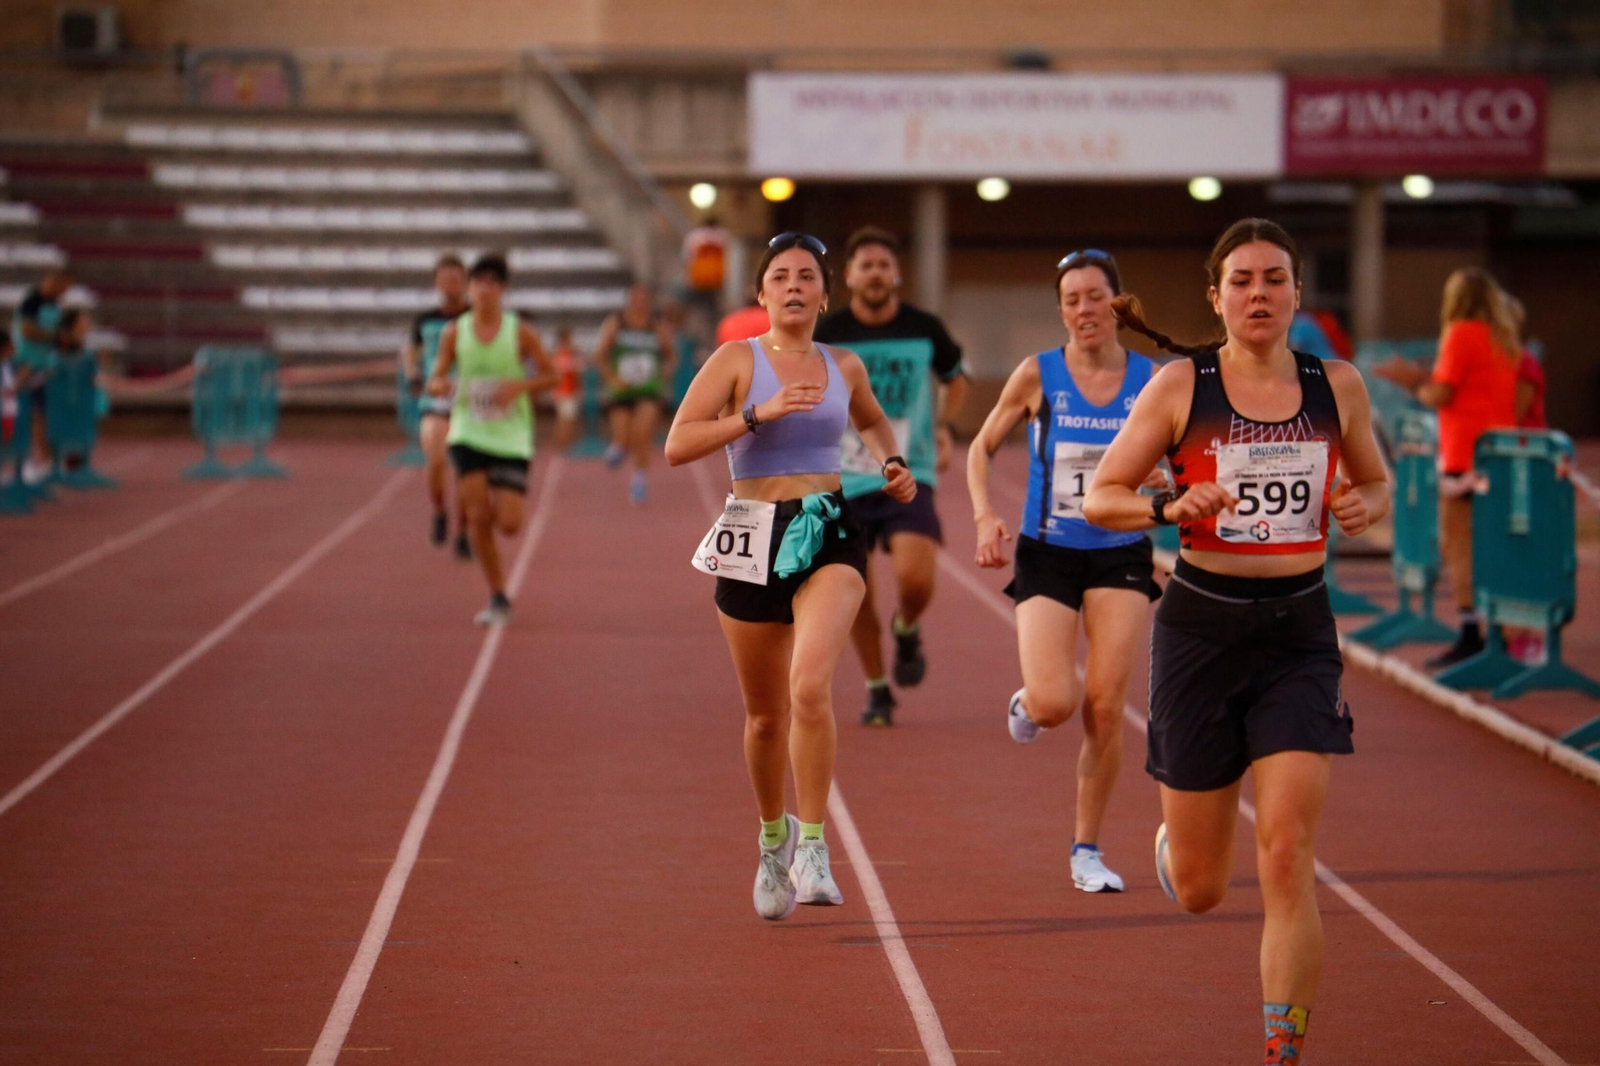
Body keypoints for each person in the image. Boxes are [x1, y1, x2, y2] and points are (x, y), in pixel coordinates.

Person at [1082, 218, 1390, 1066]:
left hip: (1299, 633)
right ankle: (1177, 846)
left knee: (1287, 852)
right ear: (1216, 298)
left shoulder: (1337, 385)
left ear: (1297, 293)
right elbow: (1101, 496)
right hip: (1201, 632)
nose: (1261, 294)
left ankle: (1282, 1052)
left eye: (1275, 279)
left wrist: (1365, 505)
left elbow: (1375, 481)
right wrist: (1166, 507)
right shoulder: (1183, 386)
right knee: (1201, 889)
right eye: (1244, 281)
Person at [664, 232, 915, 921]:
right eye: (781, 276)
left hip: (829, 529)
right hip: (752, 533)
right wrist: (756, 415)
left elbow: (873, 422)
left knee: (809, 686)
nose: (794, 286)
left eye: (807, 276)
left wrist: (892, 463)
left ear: (825, 295)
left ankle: (813, 846)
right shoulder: (735, 360)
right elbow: (678, 444)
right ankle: (772, 838)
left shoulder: (844, 365)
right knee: (765, 715)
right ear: (762, 293)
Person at [966, 249, 1161, 893]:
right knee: (1055, 703)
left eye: (1095, 296)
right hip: (1048, 551)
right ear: (1061, 310)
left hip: (1121, 550)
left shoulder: (1151, 380)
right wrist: (984, 516)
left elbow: (1182, 458)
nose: (1084, 309)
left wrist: (1166, 480)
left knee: (1105, 705)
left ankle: (1087, 849)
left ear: (1118, 305)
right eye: (1072, 299)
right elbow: (980, 447)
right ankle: (1027, 701)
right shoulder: (1038, 374)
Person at [814, 228, 968, 726]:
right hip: (843, 476)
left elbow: (955, 378)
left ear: (897, 274)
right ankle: (877, 688)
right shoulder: (828, 333)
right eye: (866, 265)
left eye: (884, 265)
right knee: (854, 591)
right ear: (849, 276)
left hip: (908, 468)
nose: (876, 274)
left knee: (915, 579)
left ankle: (906, 625)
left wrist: (944, 427)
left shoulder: (925, 327)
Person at [1374, 267, 1519, 668]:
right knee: (1497, 547)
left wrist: (1412, 384)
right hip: (1499, 453)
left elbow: (1441, 393)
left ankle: (1472, 633)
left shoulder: (1460, 333)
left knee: (1460, 548)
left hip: (1464, 456)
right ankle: (1502, 632)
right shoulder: (1503, 337)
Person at [427, 253, 556, 627]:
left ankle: (497, 585)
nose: (484, 290)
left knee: (510, 524)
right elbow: (437, 375)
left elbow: (551, 376)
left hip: (511, 435)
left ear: (502, 290)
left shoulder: (520, 331)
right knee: (479, 514)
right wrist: (440, 384)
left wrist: (520, 386)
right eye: (478, 282)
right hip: (468, 431)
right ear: (470, 288)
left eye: (492, 283)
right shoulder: (455, 332)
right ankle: (498, 595)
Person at [403, 255, 472, 559]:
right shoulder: (425, 319)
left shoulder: (475, 316)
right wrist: (413, 374)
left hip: (469, 400)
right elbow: (411, 349)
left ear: (465, 282)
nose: (451, 285)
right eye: (445, 279)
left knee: (466, 472)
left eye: (456, 279)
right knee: (435, 459)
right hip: (435, 398)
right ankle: (440, 510)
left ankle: (464, 532)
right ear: (436, 283)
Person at [596, 284, 676, 505]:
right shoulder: (616, 323)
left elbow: (671, 355)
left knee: (642, 434)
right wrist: (612, 378)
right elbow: (600, 355)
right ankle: (619, 446)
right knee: (623, 437)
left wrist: (663, 374)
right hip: (621, 389)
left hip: (648, 389)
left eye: (644, 299)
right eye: (636, 299)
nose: (640, 303)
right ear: (630, 300)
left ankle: (639, 478)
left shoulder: (656, 325)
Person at [10, 266, 73, 483]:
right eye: (63, 287)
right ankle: (28, 461)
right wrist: (54, 337)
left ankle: (43, 459)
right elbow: (27, 331)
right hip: (25, 364)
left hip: (44, 366)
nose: (64, 292)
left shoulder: (54, 305)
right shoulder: (32, 302)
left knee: (42, 413)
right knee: (26, 413)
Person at [549, 325, 583, 451]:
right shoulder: (561, 354)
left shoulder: (566, 354)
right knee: (565, 419)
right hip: (564, 390)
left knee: (566, 419)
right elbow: (575, 372)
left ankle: (564, 443)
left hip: (566, 390)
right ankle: (562, 444)